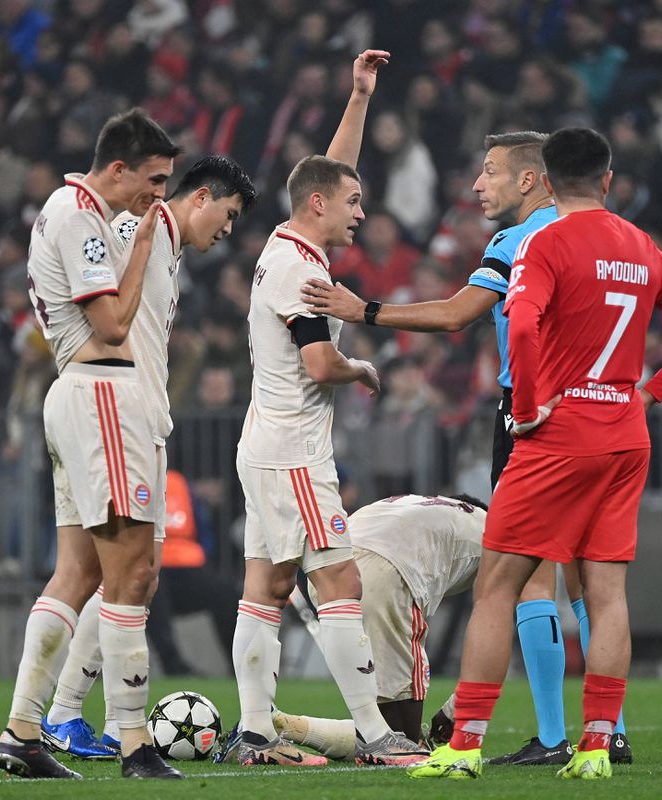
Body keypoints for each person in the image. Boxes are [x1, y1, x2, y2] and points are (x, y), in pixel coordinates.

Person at [303, 131, 629, 767]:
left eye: (491, 173)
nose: (479, 186)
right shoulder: (597, 236)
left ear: (531, 180)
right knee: (594, 584)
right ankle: (607, 732)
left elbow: (458, 314)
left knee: (530, 579)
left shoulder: (521, 240)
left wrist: (363, 310)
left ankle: (555, 736)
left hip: (531, 414)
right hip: (602, 411)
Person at [410, 127, 662, 782]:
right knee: (606, 592)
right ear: (607, 181)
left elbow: (520, 325)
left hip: (559, 430)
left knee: (499, 584)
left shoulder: (543, 241)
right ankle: (595, 747)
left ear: (547, 182)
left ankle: (463, 746)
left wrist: (526, 408)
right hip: (623, 430)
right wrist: (652, 393)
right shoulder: (642, 247)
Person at [232, 48, 428, 769]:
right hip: (294, 451)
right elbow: (320, 363)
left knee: (268, 585)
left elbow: (327, 175)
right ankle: (378, 737)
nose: (362, 213)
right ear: (319, 207)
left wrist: (358, 97)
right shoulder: (301, 270)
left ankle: (254, 735)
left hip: (265, 443)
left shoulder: (289, 246)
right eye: (353, 205)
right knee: (337, 582)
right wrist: (364, 367)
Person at [35, 155, 257, 761]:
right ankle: (87, 723)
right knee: (121, 575)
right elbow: (95, 256)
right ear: (201, 197)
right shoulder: (146, 227)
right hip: (113, 411)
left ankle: (68, 718)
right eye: (229, 216)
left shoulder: (165, 244)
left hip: (138, 420)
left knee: (135, 578)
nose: (227, 231)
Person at [0, 107, 182, 781]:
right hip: (101, 391)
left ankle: (22, 730)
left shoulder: (73, 211)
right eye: (153, 180)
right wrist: (138, 249)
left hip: (81, 395)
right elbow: (110, 322)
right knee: (132, 572)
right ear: (119, 166)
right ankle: (135, 743)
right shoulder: (82, 217)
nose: (158, 197)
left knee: (80, 574)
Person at [231, 493, 486, 759]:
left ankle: (282, 724)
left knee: (380, 730)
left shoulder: (413, 501)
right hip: (388, 568)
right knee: (402, 744)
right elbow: (494, 622)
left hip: (329, 571)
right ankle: (288, 730)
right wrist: (457, 708)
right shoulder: (489, 526)